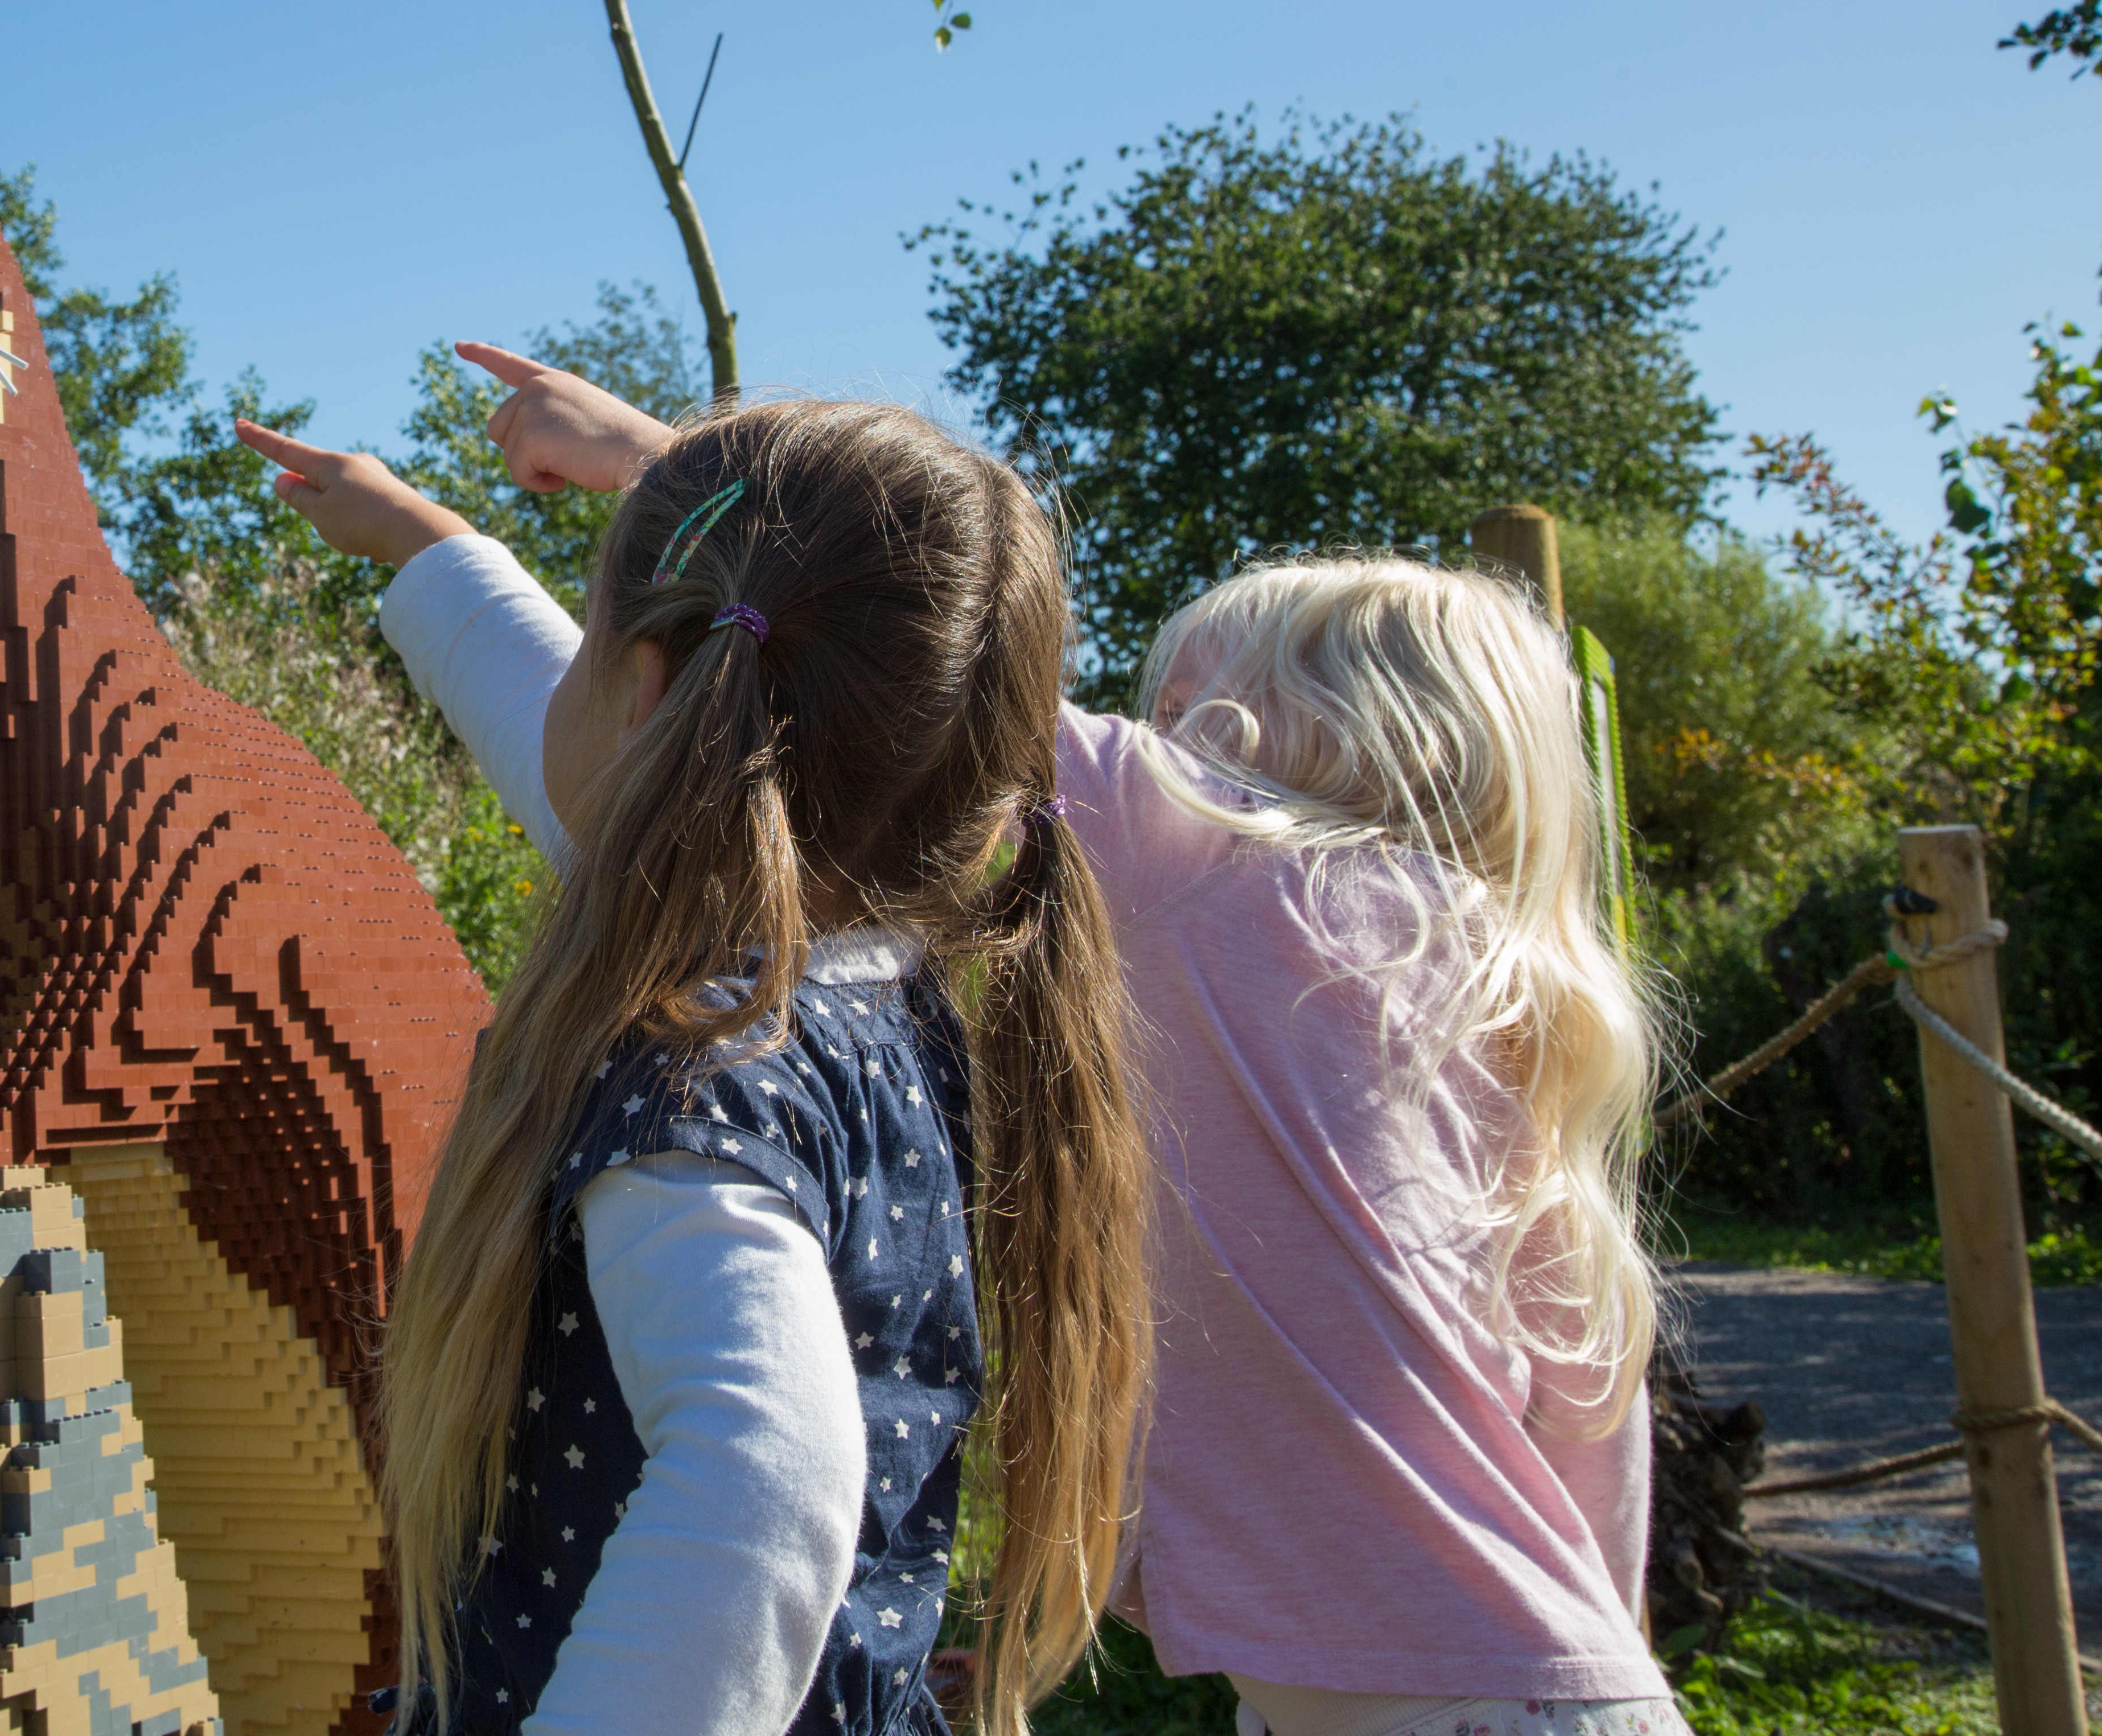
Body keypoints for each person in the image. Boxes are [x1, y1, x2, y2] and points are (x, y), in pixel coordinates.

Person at [246, 345, 1685, 1736]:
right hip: (1560, 1688)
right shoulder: (1490, 1006)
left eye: (1179, 709)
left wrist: (647, 470)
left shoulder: (1253, 879)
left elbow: (870, 653)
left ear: (1270, 755)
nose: (1121, 732)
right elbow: (1594, 1435)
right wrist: (445, 553)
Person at [230, 390, 1152, 1736]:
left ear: (653, 696)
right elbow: (601, 761)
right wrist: (428, 547)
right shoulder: (876, 998)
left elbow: (764, 1480)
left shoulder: (693, 1074)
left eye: (591, 651)